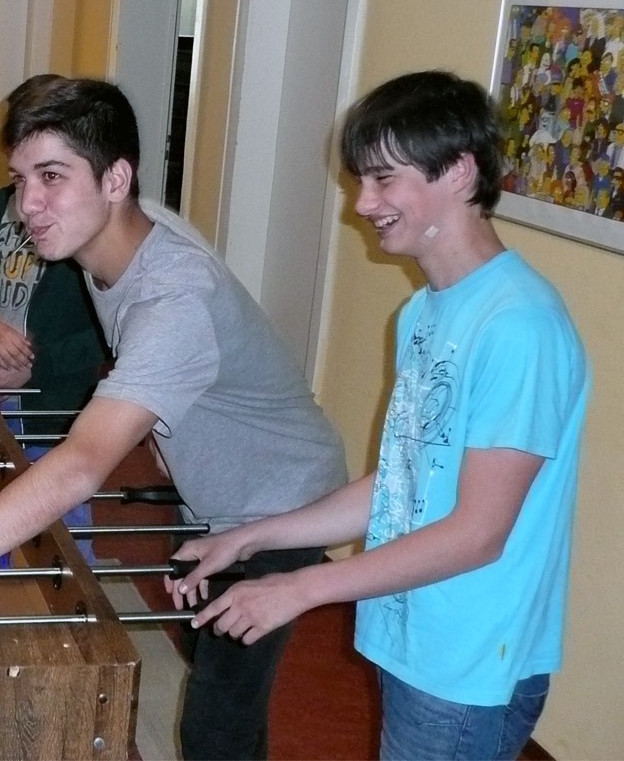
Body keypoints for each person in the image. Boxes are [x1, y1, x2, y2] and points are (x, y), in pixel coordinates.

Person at [0, 75, 348, 760]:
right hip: (215, 492)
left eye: (51, 177)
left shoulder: (173, 297)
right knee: (209, 647)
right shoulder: (115, 239)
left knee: (217, 716)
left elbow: (79, 465)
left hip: (282, 498)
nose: (27, 205)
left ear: (116, 178)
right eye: (19, 179)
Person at [171, 70, 591, 761]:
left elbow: (477, 535)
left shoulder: (520, 327)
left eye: (383, 179)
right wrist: (249, 539)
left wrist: (301, 588)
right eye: (359, 181)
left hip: (465, 661)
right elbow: (403, 481)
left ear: (458, 173)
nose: (362, 203)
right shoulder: (424, 311)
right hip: (414, 635)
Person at [0, 180, 107, 559]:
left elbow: (103, 338)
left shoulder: (81, 223)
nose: (28, 190)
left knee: (63, 528)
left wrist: (35, 365)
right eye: (17, 173)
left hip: (58, 409)